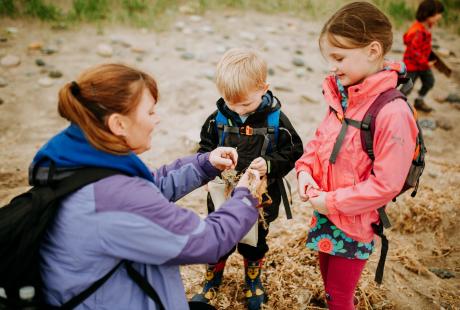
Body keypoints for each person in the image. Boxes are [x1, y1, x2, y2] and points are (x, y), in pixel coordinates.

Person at [33, 63, 263, 309]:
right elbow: (206, 241)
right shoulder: (112, 199)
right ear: (118, 124)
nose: (157, 119)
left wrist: (204, 164)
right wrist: (244, 198)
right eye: (150, 112)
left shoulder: (76, 161)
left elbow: (149, 188)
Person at [295, 2, 419, 309]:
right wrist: (305, 171)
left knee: (339, 299)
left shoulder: (393, 112)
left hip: (355, 224)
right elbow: (320, 141)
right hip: (325, 212)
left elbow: (386, 184)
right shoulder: (343, 94)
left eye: (339, 57)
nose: (332, 67)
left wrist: (331, 201)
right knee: (329, 287)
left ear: (373, 50)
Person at [192, 48, 303, 309]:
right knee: (218, 236)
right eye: (230, 102)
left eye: (244, 104)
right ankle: (212, 279)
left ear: (264, 88)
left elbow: (294, 150)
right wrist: (208, 168)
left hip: (261, 195)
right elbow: (204, 148)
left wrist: (269, 164)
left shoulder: (277, 120)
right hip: (224, 192)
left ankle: (253, 278)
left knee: (256, 240)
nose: (236, 109)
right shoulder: (217, 119)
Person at [402, 0, 444, 112]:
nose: (440, 16)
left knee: (429, 81)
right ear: (428, 14)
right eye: (438, 13)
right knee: (407, 87)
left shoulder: (426, 26)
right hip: (413, 65)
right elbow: (413, 51)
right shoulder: (418, 31)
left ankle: (419, 100)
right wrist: (426, 63)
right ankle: (397, 103)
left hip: (422, 64)